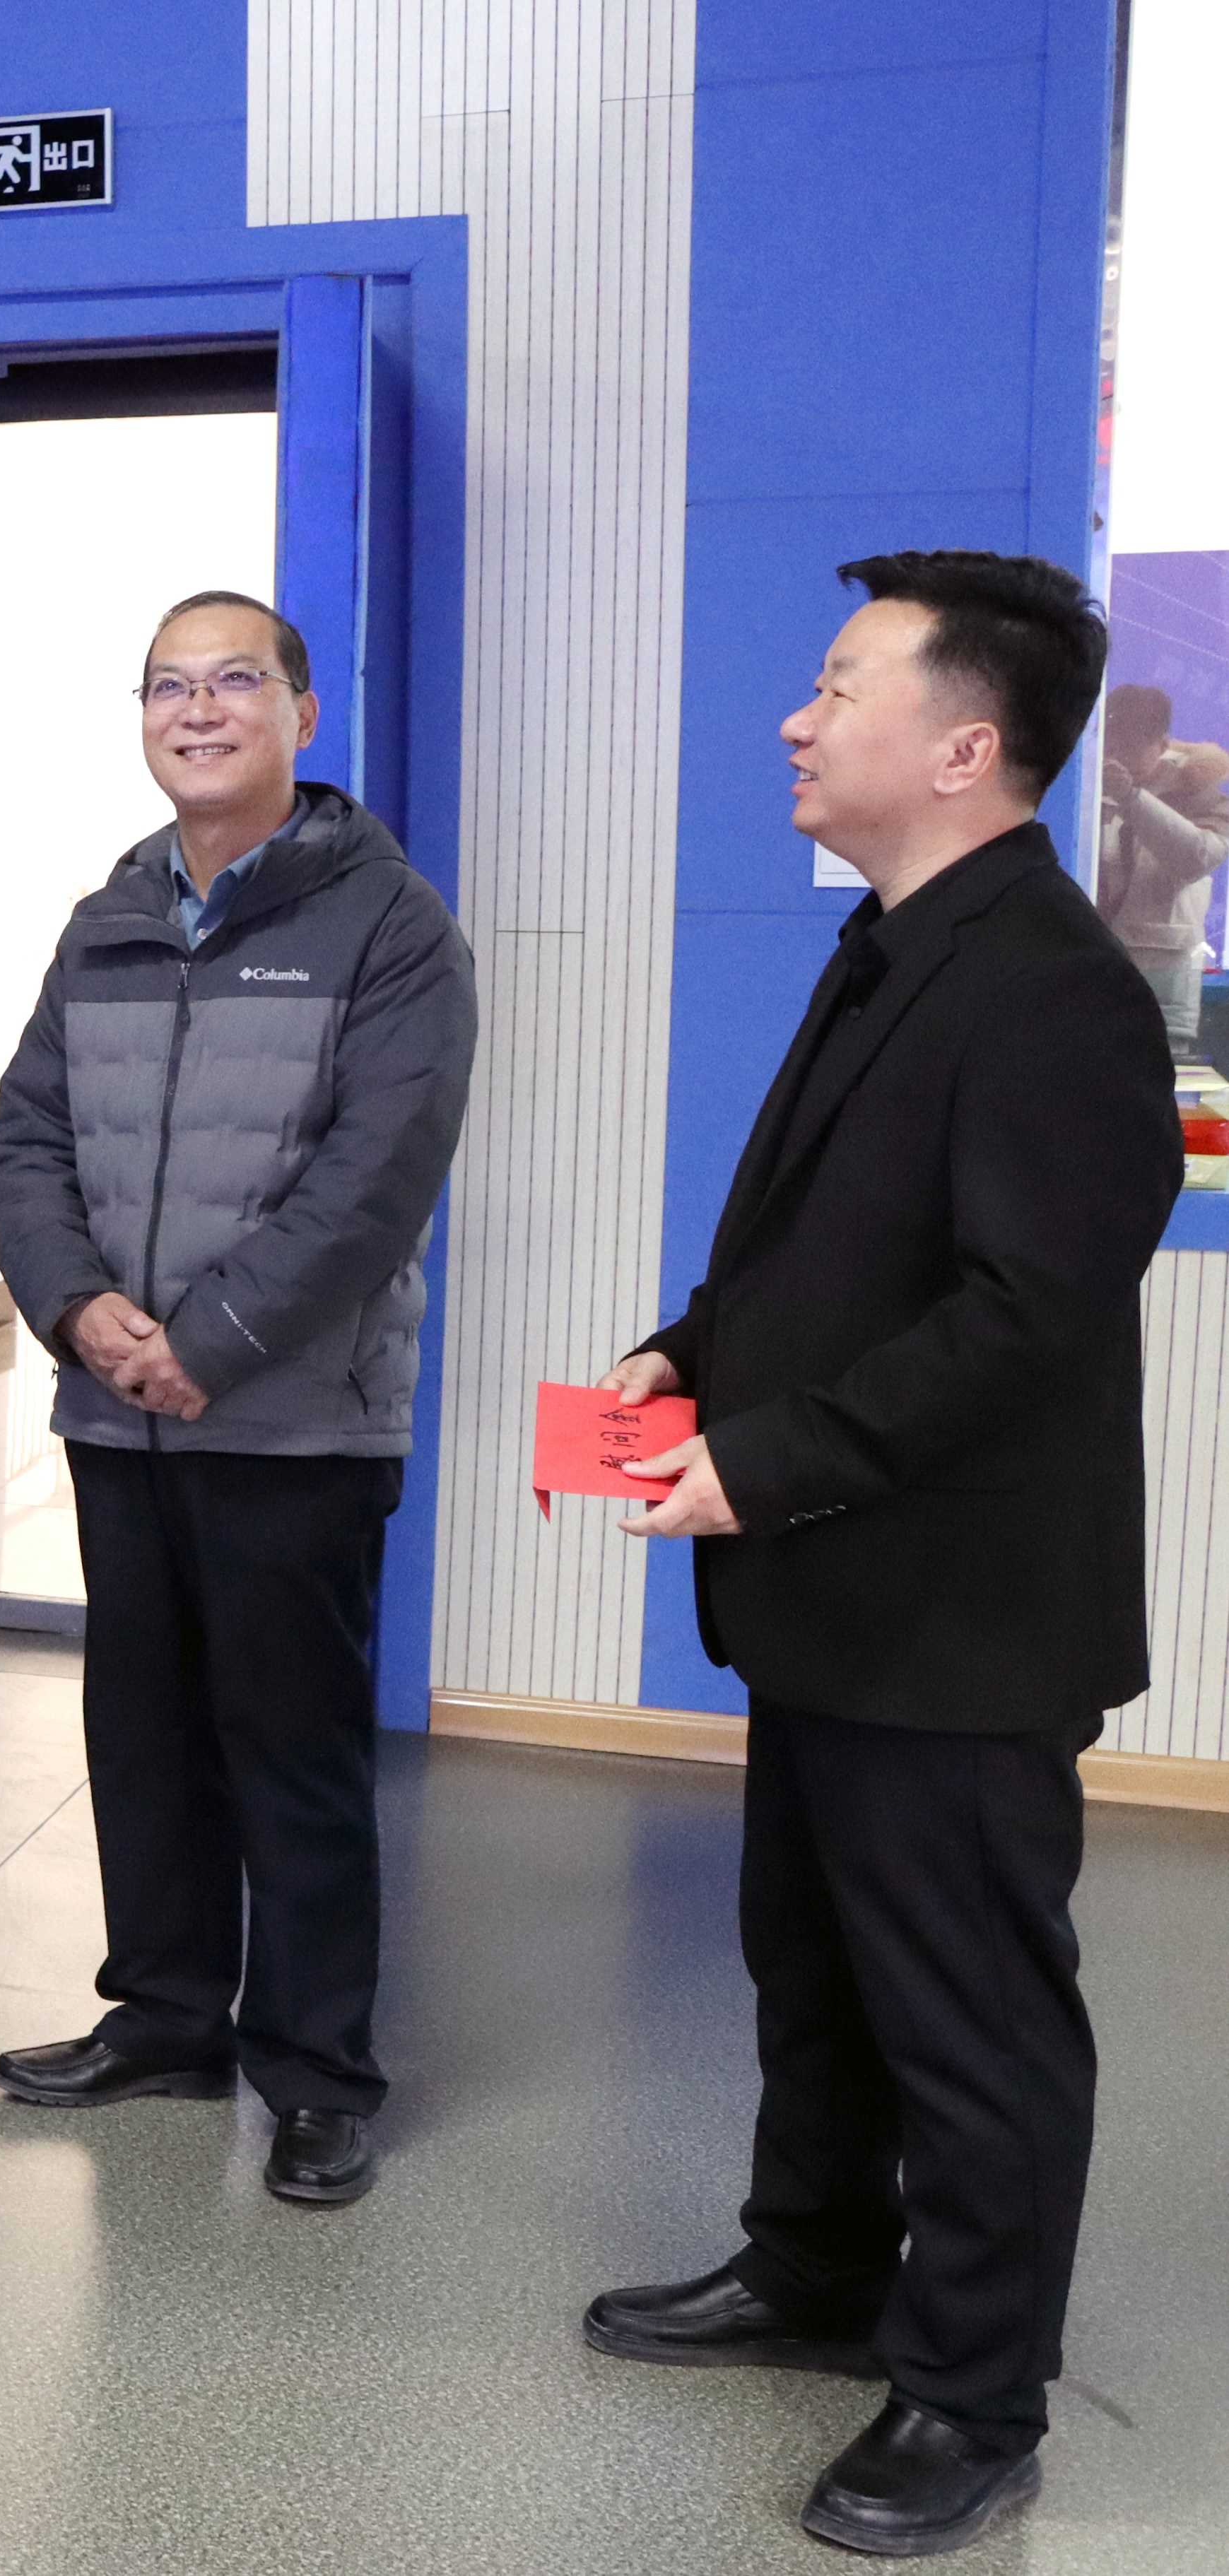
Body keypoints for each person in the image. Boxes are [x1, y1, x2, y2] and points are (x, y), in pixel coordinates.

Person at [583, 551, 1176, 2559]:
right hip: (837, 1586)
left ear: (961, 744)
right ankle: (814, 2259)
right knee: (815, 1959)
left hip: (957, 1612)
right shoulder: (894, 942)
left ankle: (971, 2394)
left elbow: (1022, 1314)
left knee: (967, 2013)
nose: (794, 714)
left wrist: (765, 1457)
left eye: (837, 682)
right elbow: (836, 1248)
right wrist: (689, 1351)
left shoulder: (1050, 984)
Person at [0, 589, 477, 2209]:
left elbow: (376, 1173)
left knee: (292, 1747)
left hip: (291, 1420)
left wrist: (212, 1336)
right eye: (166, 687)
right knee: (140, 1731)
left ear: (300, 716)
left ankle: (318, 2070)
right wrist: (77, 1310)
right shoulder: (107, 918)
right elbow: (28, 1137)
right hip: (116, 1415)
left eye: (233, 682)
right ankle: (166, 2016)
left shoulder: (387, 923)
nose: (196, 711)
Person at [1089, 683, 1223, 1054]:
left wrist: (1132, 798)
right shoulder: (1089, 787)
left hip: (1162, 990)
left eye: (1130, 748)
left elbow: (1197, 858)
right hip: (1090, 979)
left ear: (1162, 745)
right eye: (1111, 745)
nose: (1117, 758)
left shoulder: (1201, 791)